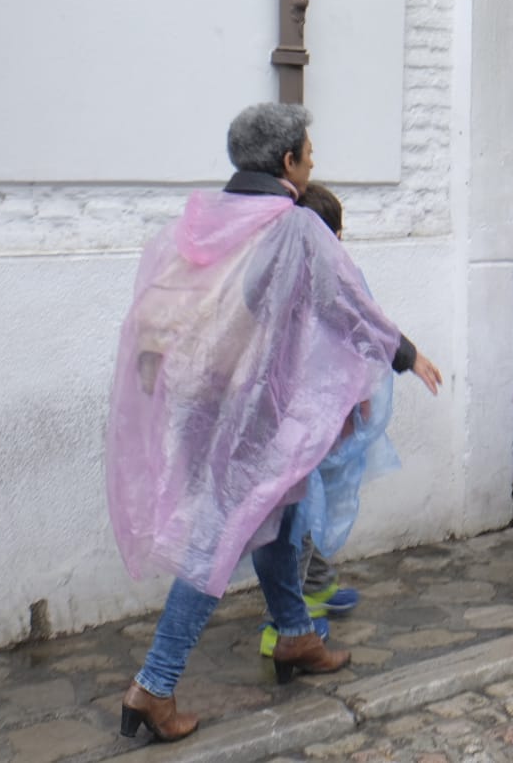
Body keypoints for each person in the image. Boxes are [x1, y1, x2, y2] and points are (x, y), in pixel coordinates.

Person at [107, 103, 442, 744]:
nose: (312, 164)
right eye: (308, 156)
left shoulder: (206, 220)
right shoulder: (293, 227)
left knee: (279, 517)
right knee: (220, 538)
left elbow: (165, 302)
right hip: (254, 410)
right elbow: (345, 302)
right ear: (287, 163)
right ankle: (154, 684)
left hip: (203, 399)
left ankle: (294, 637)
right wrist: (404, 353)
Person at [250, 182, 414, 659]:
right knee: (297, 514)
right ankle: (284, 623)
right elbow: (356, 333)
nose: (341, 244)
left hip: (301, 412)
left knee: (311, 507)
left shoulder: (286, 274)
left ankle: (315, 584)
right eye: (337, 234)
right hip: (297, 416)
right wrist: (362, 394)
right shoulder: (312, 281)